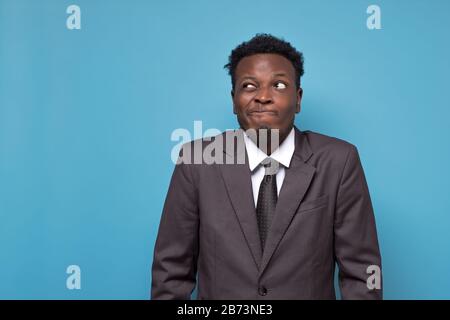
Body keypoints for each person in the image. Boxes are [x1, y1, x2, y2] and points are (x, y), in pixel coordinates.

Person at [151, 33, 382, 299]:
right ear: (233, 99)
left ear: (298, 99)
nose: (263, 96)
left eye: (279, 85)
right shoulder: (197, 161)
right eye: (249, 86)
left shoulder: (339, 161)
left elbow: (362, 273)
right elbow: (171, 272)